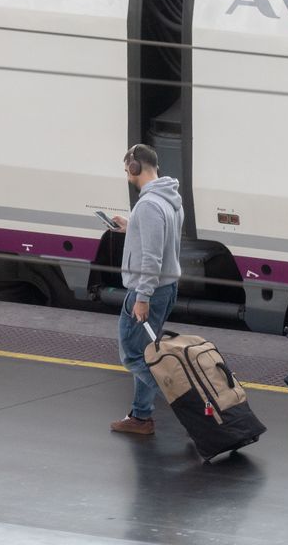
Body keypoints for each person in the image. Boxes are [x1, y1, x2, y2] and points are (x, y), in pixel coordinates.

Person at [108, 144, 184, 435]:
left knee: (132, 356)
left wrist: (142, 297)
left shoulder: (149, 204)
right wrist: (132, 226)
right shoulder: (168, 198)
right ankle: (141, 417)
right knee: (146, 353)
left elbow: (151, 256)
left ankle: (192, 407)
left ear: (134, 167)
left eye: (126, 168)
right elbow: (160, 240)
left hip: (149, 289)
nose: (127, 173)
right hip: (166, 286)